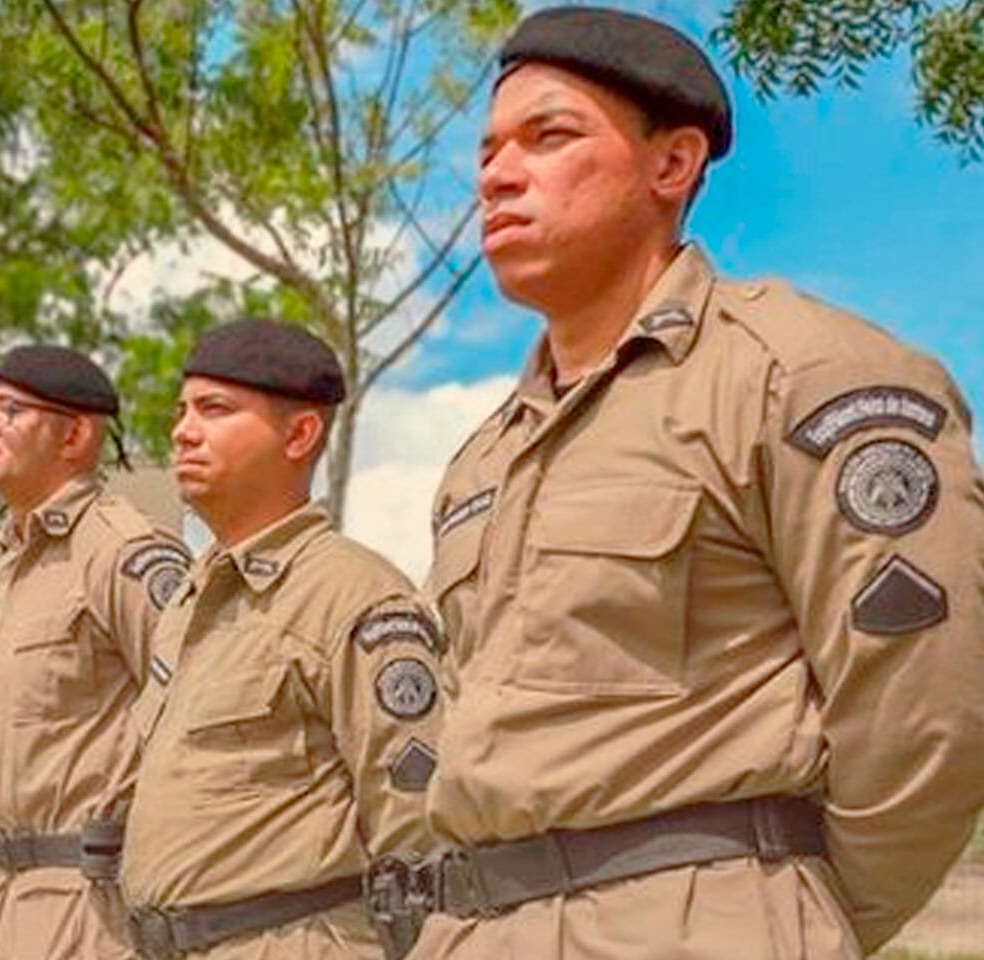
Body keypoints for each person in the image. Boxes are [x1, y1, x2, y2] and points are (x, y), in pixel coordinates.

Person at [402, 7, 984, 959]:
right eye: (488, 151)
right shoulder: (483, 459)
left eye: (548, 136)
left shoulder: (797, 376)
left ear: (670, 167)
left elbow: (926, 723)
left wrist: (787, 921)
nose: (497, 175)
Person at [119, 319, 445, 960]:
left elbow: (417, 822)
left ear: (299, 434)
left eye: (214, 410)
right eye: (182, 411)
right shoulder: (190, 601)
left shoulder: (354, 595)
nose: (182, 431)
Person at [0, 345, 190, 960]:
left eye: (10, 411)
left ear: (74, 436)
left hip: (92, 909)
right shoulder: (3, 566)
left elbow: (191, 711)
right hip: (3, 899)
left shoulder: (121, 551)